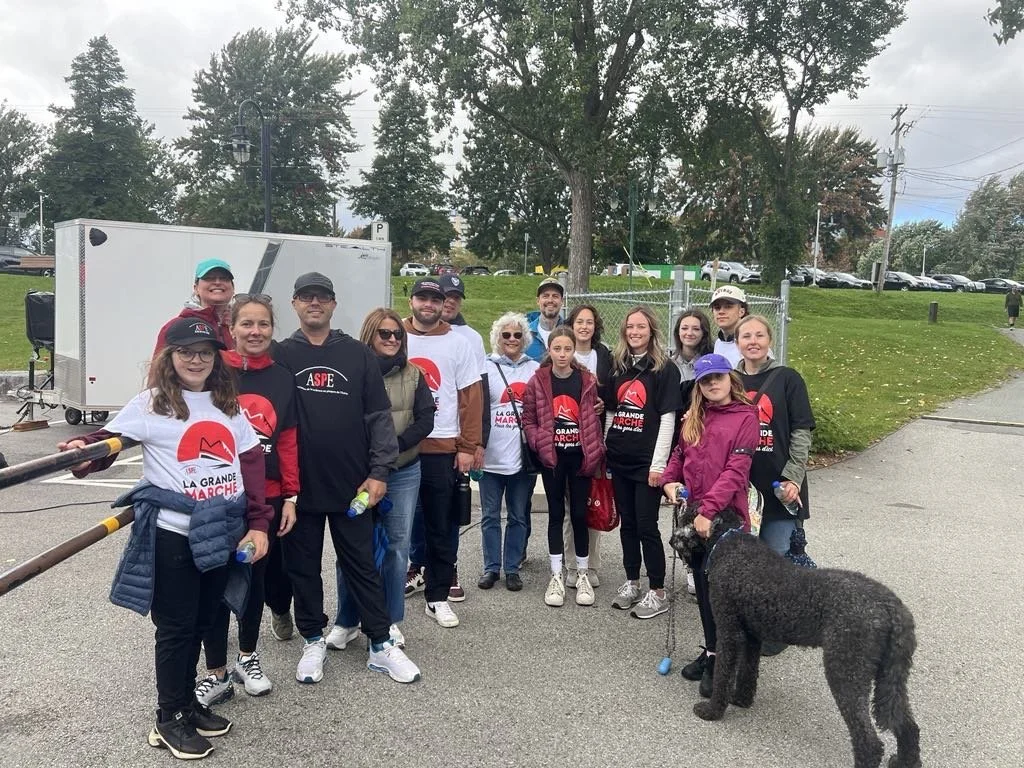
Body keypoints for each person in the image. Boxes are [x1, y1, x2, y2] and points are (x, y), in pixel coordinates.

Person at [59, 316, 273, 760]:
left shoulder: (226, 404)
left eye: (205, 352)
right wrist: (83, 455)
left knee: (201, 621)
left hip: (222, 531)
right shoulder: (152, 403)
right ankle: (168, 718)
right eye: (186, 351)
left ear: (216, 360)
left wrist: (258, 522)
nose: (196, 359)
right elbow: (108, 440)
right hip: (175, 535)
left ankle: (186, 705)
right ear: (169, 358)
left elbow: (251, 462)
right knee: (175, 629)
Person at [274, 272, 420, 685]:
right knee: (302, 567)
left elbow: (379, 418)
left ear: (334, 304)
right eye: (306, 297)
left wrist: (379, 472)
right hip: (298, 487)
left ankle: (379, 644)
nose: (314, 303)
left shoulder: (357, 355)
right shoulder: (283, 354)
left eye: (322, 297)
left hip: (352, 484)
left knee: (362, 565)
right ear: (295, 305)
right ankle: (312, 639)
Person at [195, 294, 299, 706]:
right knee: (215, 583)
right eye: (247, 325)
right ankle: (216, 672)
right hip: (220, 497)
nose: (255, 332)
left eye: (263, 325)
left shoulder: (282, 377)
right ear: (232, 328)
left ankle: (248, 658)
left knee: (255, 580)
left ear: (273, 329)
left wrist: (291, 495)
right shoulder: (213, 375)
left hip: (267, 499)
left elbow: (289, 439)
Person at [329, 308, 435, 650]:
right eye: (384, 334)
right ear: (370, 334)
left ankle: (389, 621)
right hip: (357, 473)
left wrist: (390, 450)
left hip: (403, 471)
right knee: (351, 549)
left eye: (397, 335)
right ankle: (347, 620)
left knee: (395, 548)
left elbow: (425, 419)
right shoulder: (352, 372)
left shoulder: (415, 374)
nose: (392, 339)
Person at [661, 353, 759, 699]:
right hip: (696, 516)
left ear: (731, 378)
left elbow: (737, 470)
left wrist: (709, 510)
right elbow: (679, 456)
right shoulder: (695, 417)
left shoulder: (747, 416)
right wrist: (670, 482)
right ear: (699, 387)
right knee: (703, 589)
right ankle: (713, 652)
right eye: (705, 380)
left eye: (718, 377)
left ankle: (727, 664)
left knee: (724, 596)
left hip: (726, 519)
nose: (713, 384)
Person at [403, 277, 483, 628]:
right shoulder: (393, 335)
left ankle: (437, 595)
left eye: (435, 299)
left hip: (442, 447)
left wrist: (468, 446)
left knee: (442, 524)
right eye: (422, 297)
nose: (428, 304)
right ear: (412, 301)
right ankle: (386, 597)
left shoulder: (459, 342)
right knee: (395, 527)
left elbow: (471, 398)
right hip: (400, 447)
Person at [603, 306, 682, 619]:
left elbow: (668, 418)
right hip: (620, 458)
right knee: (629, 525)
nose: (634, 332)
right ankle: (632, 581)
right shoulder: (617, 366)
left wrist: (658, 466)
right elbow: (611, 411)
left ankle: (658, 590)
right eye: (630, 327)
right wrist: (608, 450)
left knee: (647, 525)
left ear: (652, 330)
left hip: (647, 463)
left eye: (641, 327)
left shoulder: (664, 369)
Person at [523, 327, 605, 607]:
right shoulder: (538, 381)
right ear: (549, 350)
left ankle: (581, 572)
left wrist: (594, 449)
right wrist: (539, 441)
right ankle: (556, 575)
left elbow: (594, 416)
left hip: (579, 458)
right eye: (556, 349)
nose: (562, 354)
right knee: (556, 514)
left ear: (573, 351)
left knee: (580, 514)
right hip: (552, 459)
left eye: (567, 349)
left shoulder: (586, 380)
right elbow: (529, 419)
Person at [735, 315, 816, 555]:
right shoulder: (729, 381)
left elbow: (801, 433)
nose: (753, 341)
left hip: (779, 487)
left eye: (759, 335)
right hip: (739, 487)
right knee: (742, 563)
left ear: (770, 339)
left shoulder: (788, 379)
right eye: (746, 336)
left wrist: (792, 478)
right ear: (737, 342)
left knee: (778, 563)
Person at [434, 272, 490, 601]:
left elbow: (478, 394)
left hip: (456, 441)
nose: (450, 301)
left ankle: (448, 568)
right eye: (445, 295)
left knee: (450, 510)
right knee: (417, 511)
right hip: (422, 438)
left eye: (456, 296)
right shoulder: (410, 332)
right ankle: (419, 565)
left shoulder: (471, 337)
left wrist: (477, 442)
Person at [476, 312, 540, 592]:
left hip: (522, 458)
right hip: (491, 457)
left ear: (524, 338)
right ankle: (492, 568)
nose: (512, 339)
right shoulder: (485, 368)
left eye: (517, 335)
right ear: (498, 338)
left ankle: (512, 568)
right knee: (490, 516)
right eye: (506, 335)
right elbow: (475, 409)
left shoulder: (535, 369)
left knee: (518, 516)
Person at [563, 303, 612, 589]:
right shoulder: (561, 353)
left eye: (589, 322)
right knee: (571, 509)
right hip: (568, 442)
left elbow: (614, 393)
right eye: (579, 321)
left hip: (596, 441)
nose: (584, 326)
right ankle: (572, 564)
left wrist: (606, 403)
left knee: (591, 505)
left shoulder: (605, 356)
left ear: (595, 327)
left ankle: (592, 563)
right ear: (571, 324)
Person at [154, 259, 235, 355]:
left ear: (233, 288)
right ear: (196, 288)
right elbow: (160, 368)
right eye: (209, 278)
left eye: (224, 278)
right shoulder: (175, 327)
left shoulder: (246, 325)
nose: (217, 282)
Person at [670, 308, 714, 406]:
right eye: (684, 328)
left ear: (704, 333)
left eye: (696, 329)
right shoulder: (669, 364)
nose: (689, 333)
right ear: (678, 331)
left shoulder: (712, 364)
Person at [525, 277, 565, 359]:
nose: (550, 300)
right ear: (538, 301)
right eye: (545, 296)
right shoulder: (524, 333)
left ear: (562, 301)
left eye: (555, 296)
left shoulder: (570, 332)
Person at [709, 285, 748, 367]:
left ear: (741, 311)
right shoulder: (718, 343)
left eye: (728, 307)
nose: (721, 311)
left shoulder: (752, 342)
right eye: (717, 308)